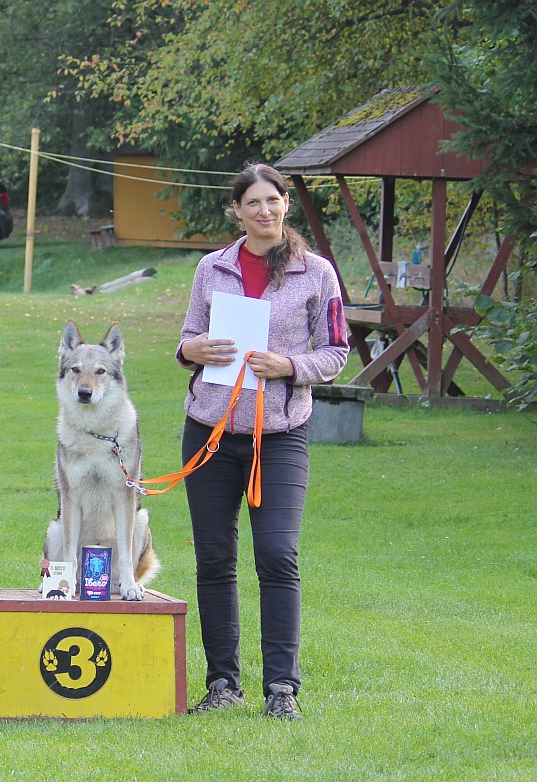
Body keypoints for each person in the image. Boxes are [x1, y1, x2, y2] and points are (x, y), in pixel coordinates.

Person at [176, 162, 349, 720]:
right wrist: (192, 352)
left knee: (277, 554)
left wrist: (289, 364)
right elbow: (187, 340)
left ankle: (282, 689)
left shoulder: (315, 272)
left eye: (272, 201)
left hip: (280, 437)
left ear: (285, 205)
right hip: (211, 432)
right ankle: (223, 682)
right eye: (252, 203)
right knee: (215, 557)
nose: (264, 211)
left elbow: (336, 352)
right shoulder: (212, 268)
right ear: (237, 211)